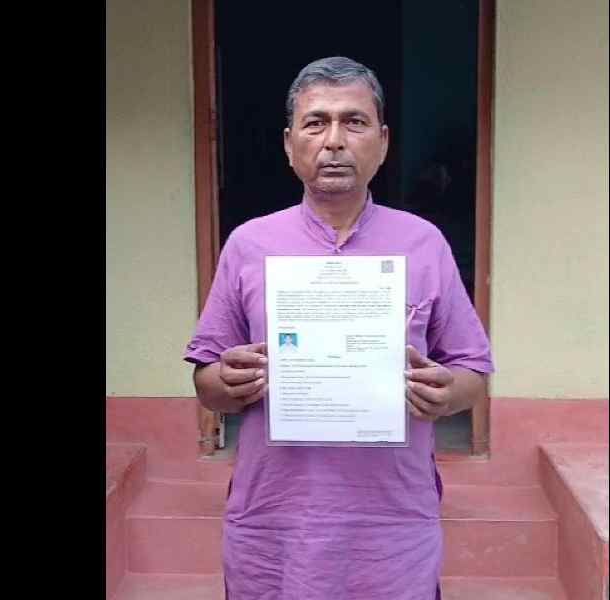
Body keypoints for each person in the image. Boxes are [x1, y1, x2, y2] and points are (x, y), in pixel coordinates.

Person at [184, 56, 493, 600]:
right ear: (288, 143)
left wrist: (445, 393)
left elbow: (472, 373)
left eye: (354, 122)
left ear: (383, 140)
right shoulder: (249, 244)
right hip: (276, 517)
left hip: (391, 522)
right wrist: (223, 384)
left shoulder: (423, 243)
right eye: (315, 122)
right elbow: (207, 377)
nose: (333, 141)